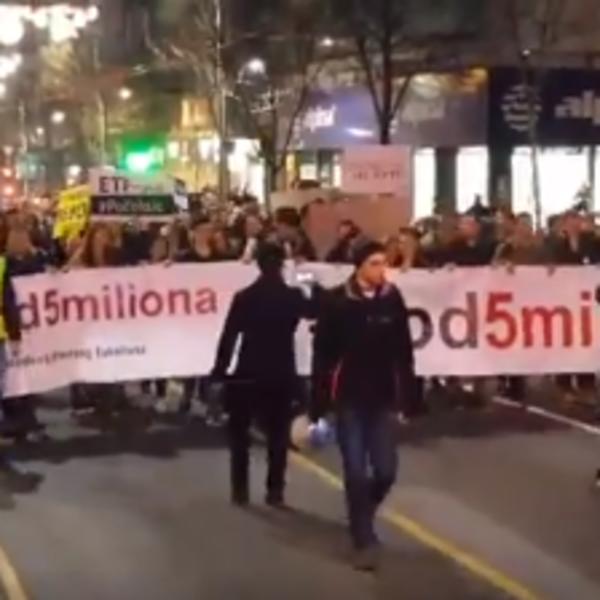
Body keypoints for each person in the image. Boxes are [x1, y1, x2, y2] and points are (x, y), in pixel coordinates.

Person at [311, 240, 417, 571]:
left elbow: (404, 350)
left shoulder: (392, 298)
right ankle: (363, 538)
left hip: (381, 397)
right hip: (349, 399)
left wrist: (409, 396)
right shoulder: (337, 301)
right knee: (355, 471)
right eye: (374, 263)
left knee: (385, 471)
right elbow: (322, 355)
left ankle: (362, 512)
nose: (381, 270)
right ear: (359, 266)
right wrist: (318, 403)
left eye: (383, 263)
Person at [212, 243, 309, 508]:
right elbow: (314, 310)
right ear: (282, 265)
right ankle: (274, 490)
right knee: (278, 436)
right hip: (281, 371)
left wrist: (219, 371)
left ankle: (240, 490)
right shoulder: (292, 297)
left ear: (258, 264)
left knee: (239, 436)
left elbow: (229, 337)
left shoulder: (245, 297)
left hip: (248, 371)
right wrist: (307, 278)